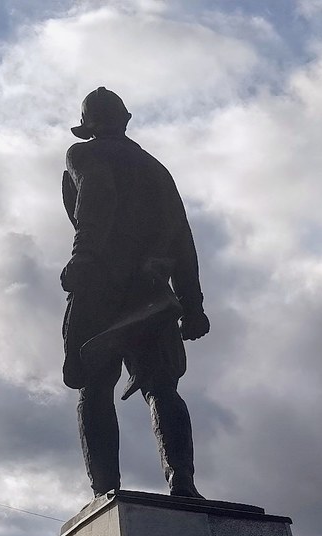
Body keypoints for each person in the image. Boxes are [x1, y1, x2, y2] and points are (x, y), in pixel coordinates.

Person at [59, 86, 208, 499]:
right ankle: (184, 483)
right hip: (153, 292)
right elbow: (183, 238)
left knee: (94, 385)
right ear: (124, 120)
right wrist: (193, 305)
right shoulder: (157, 169)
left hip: (103, 283)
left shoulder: (83, 154)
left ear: (88, 126)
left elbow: (96, 195)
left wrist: (83, 257)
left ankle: (106, 492)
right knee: (162, 388)